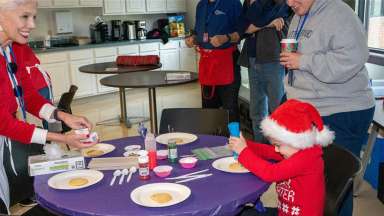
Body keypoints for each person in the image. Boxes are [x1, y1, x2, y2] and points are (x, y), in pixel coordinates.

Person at [0, 0, 96, 214]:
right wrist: (62, 138)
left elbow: (27, 95)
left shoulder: (12, 49)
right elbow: (4, 123)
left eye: (34, 16)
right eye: (24, 16)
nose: (32, 24)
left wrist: (61, 116)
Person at [280, 0, 375, 215]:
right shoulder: (299, 13)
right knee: (314, 182)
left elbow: (354, 58)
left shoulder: (339, 13)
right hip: (311, 107)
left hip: (341, 110)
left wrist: (304, 61)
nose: (289, 2)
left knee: (334, 187)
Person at [228, 99, 335, 216]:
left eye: (278, 145)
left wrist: (243, 152)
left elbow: (270, 173)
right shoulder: (294, 150)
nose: (276, 149)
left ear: (296, 141)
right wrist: (247, 145)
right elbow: (268, 151)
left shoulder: (307, 158)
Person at [236, 0, 291, 142]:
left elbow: (257, 20)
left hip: (273, 59)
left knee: (278, 111)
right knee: (257, 111)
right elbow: (241, 28)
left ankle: (280, 151)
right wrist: (268, 23)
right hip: (252, 58)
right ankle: (261, 147)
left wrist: (255, 24)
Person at [185, 0, 242, 122]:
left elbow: (241, 33)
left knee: (230, 110)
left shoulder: (233, 3)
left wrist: (226, 38)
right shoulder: (201, 5)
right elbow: (198, 32)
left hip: (227, 62)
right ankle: (211, 141)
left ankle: (234, 140)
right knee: (208, 109)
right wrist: (193, 39)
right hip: (207, 63)